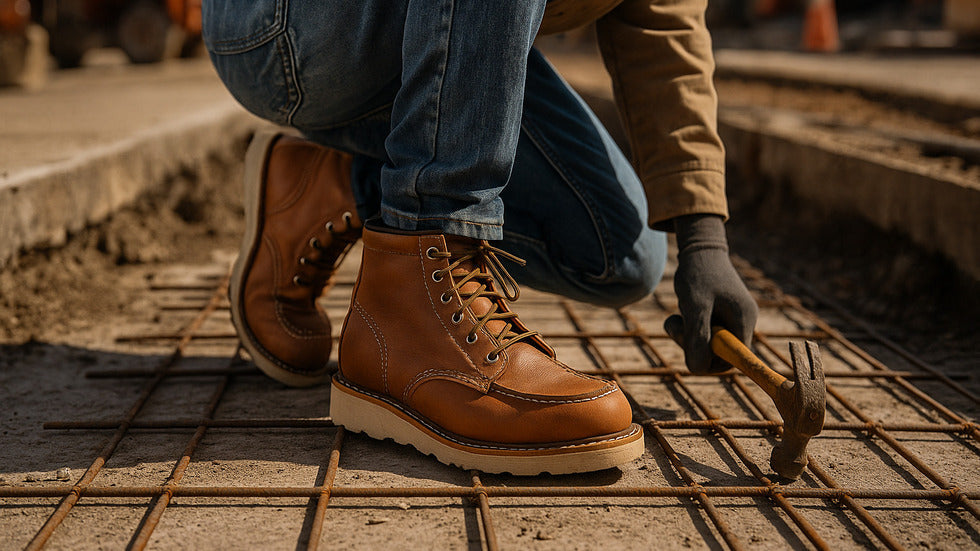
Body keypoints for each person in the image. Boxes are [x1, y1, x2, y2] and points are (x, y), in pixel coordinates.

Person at [201, 0, 758, 475]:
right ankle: (424, 256)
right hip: (293, 29)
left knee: (619, 251)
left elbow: (663, 18)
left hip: (452, 28)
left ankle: (332, 186)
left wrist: (703, 234)